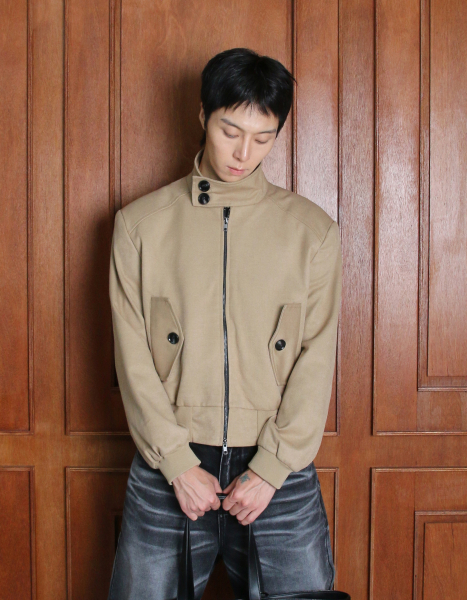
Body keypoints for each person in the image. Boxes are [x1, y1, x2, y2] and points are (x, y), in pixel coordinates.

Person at [108, 47, 341, 600]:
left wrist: (273, 467)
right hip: (169, 464)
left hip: (277, 470)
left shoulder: (312, 232)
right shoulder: (140, 226)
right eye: (229, 131)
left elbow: (316, 355)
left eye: (263, 138)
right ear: (202, 117)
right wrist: (174, 462)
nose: (243, 153)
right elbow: (132, 356)